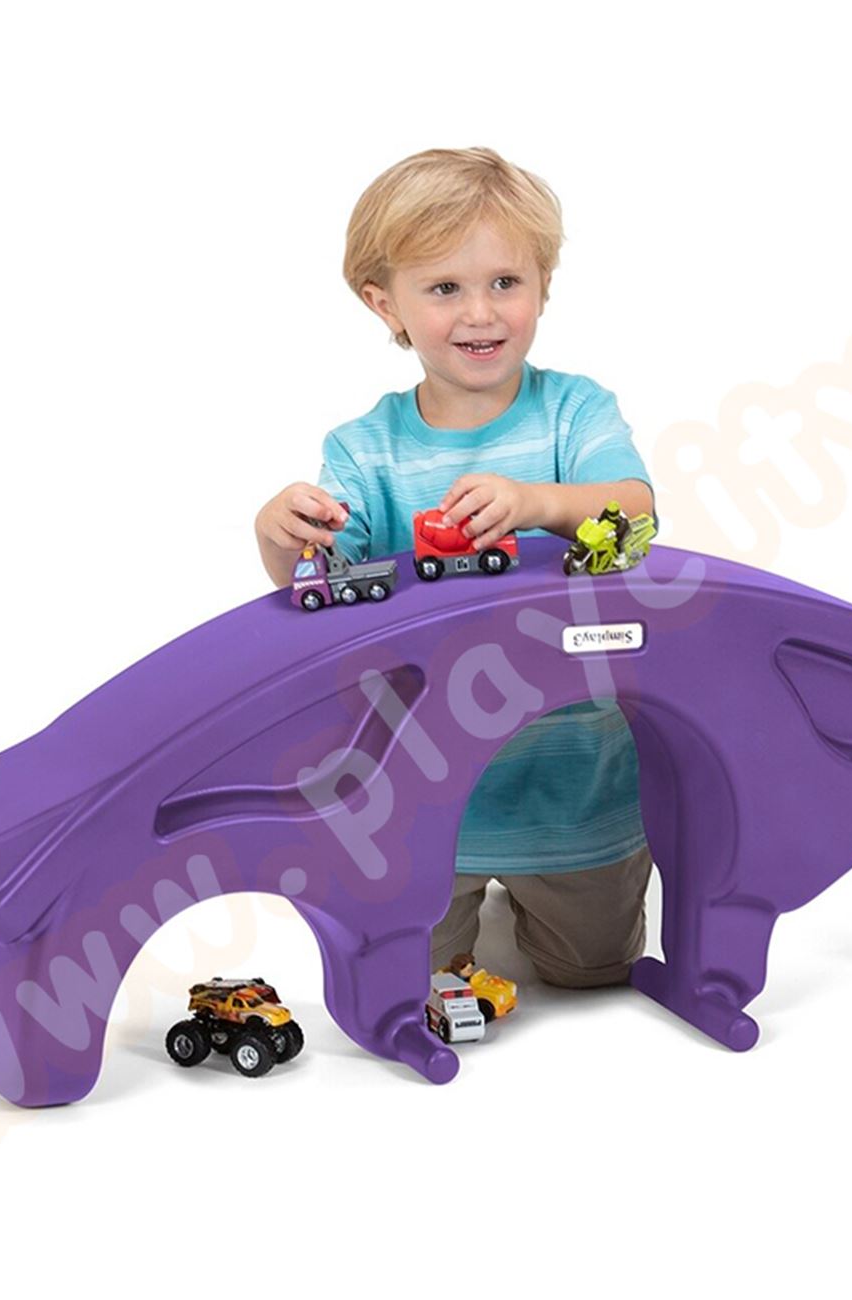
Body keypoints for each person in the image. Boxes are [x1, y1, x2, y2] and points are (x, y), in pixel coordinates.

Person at [254, 147, 654, 989]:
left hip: (575, 790)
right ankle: (470, 915)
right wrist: (282, 536)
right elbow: (319, 581)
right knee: (416, 981)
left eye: (506, 281)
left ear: (544, 285)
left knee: (593, 973)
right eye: (444, 288)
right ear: (385, 303)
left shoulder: (575, 411)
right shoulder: (364, 449)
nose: (481, 312)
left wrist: (536, 502)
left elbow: (636, 507)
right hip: (425, 801)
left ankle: (542, 910)